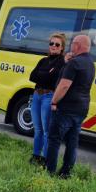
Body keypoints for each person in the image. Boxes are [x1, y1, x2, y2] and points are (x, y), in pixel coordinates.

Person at [46, 34, 95, 178]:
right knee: (72, 143)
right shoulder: (90, 63)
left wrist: (54, 101)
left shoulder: (74, 63)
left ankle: (49, 172)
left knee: (54, 140)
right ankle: (66, 173)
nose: (71, 46)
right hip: (82, 108)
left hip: (66, 108)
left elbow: (64, 86)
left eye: (73, 43)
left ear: (78, 45)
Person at [28, 33, 67, 165]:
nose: (54, 46)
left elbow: (53, 79)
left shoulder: (62, 62)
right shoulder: (43, 61)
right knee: (37, 129)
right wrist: (46, 74)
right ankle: (36, 156)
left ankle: (45, 158)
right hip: (37, 95)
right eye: (51, 43)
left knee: (46, 131)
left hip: (48, 96)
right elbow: (32, 76)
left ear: (62, 48)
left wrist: (42, 75)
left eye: (57, 44)